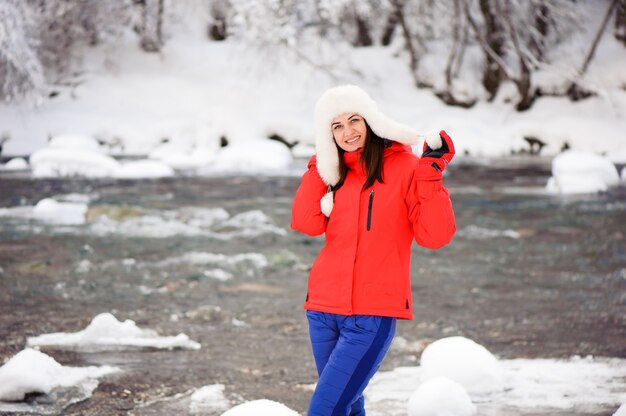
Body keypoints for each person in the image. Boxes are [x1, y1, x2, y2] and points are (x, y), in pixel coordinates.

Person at [291, 85, 456, 416]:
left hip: (371, 314)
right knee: (348, 406)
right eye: (335, 126)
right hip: (322, 310)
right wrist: (320, 164)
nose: (347, 132)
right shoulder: (335, 172)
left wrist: (430, 174)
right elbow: (306, 222)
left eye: (354, 121)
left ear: (370, 121)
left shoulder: (408, 167)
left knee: (325, 409)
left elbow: (435, 236)